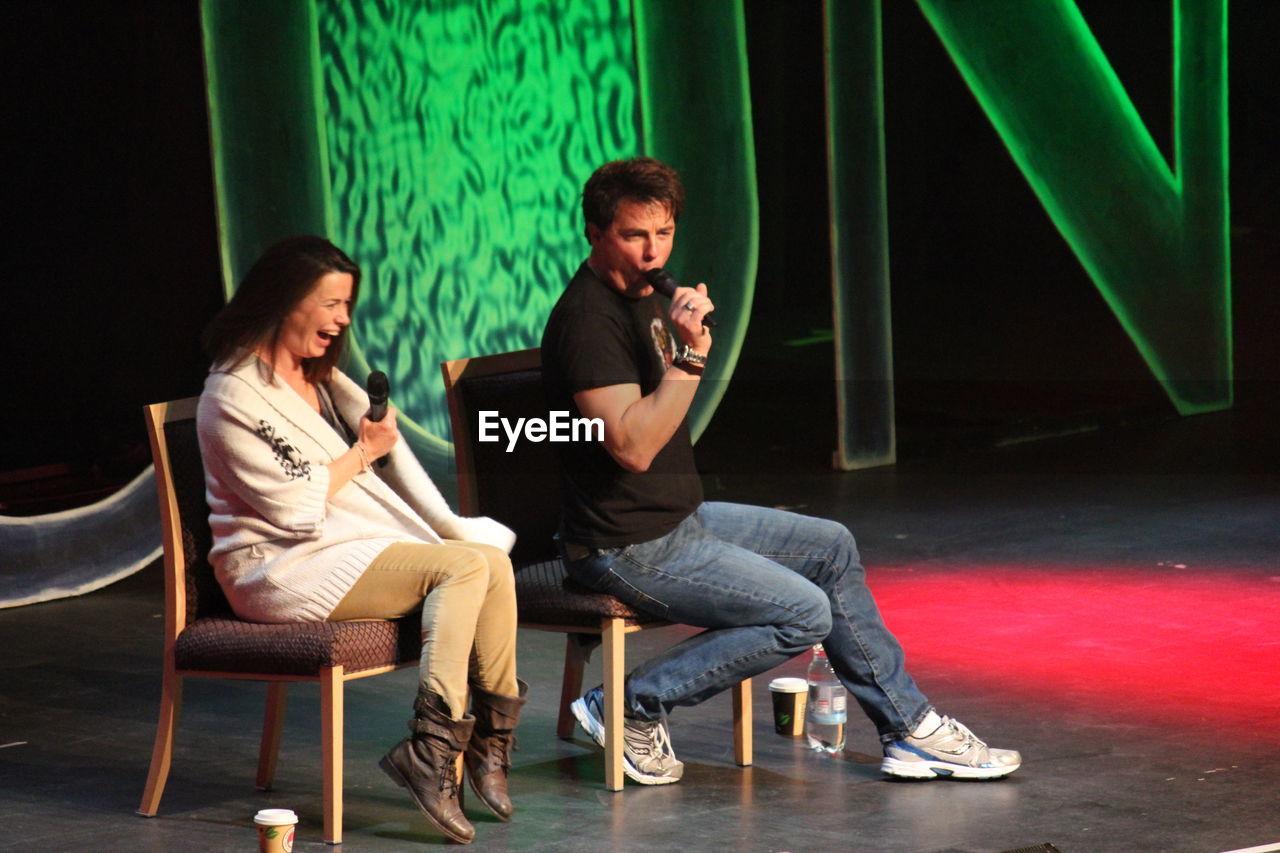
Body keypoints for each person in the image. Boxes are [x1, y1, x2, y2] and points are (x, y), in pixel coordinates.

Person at [541, 158, 1020, 785]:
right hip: (624, 544)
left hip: (678, 520)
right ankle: (628, 705)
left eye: (663, 234)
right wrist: (689, 358)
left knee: (832, 546)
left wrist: (684, 350)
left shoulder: (649, 298)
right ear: (596, 233)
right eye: (635, 236)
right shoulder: (588, 322)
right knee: (805, 613)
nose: (653, 251)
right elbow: (632, 448)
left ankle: (908, 729)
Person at [198, 235, 524, 843]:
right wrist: (364, 452)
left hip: (337, 549)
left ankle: (489, 741)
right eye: (329, 303)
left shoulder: (319, 379)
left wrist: (373, 445)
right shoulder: (233, 393)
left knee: (489, 562)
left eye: (347, 303)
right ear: (282, 301)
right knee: (462, 568)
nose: (343, 318)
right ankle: (431, 752)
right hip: (277, 569)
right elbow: (293, 506)